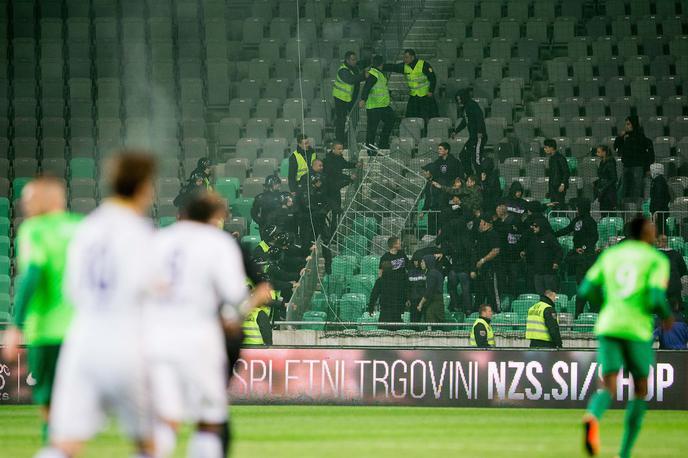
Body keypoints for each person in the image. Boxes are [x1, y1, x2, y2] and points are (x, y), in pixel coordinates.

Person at [36, 152, 157, 458]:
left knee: (64, 445)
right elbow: (150, 290)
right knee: (148, 443)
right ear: (143, 186)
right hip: (126, 344)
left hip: (82, 342)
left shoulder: (87, 228)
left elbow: (72, 290)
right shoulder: (138, 231)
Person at [147, 191, 273, 458]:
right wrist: (239, 313)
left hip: (157, 341)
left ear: (183, 214)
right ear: (215, 217)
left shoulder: (159, 240)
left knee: (164, 420)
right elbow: (235, 296)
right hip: (200, 339)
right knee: (209, 422)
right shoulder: (218, 243)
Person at [579, 217, 672, 458]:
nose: (656, 232)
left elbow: (585, 289)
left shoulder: (610, 255)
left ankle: (592, 418)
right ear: (645, 233)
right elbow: (655, 297)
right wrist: (666, 316)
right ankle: (624, 453)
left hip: (609, 324)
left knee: (608, 384)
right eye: (652, 228)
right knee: (640, 388)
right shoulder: (656, 260)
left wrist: (606, 305)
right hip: (636, 329)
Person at [1, 177, 82, 445]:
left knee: (50, 406)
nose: (24, 204)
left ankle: (54, 448)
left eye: (29, 198)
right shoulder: (81, 228)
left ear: (47, 199)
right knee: (72, 404)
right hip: (83, 333)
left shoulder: (35, 229)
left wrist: (16, 325)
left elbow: (32, 275)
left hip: (48, 332)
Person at [555, 198, 599, 317]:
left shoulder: (590, 221)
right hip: (579, 256)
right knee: (580, 284)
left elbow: (594, 237)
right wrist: (554, 234)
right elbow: (567, 229)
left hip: (588, 256)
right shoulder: (576, 220)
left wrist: (584, 248)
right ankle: (578, 315)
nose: (576, 210)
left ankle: (593, 312)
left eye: (578, 207)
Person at [383, 49, 438, 125]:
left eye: (406, 57)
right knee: (410, 117)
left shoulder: (423, 64)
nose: (404, 59)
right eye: (404, 57)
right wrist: (381, 66)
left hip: (425, 96)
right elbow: (394, 67)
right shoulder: (405, 66)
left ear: (412, 57)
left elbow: (433, 78)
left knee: (426, 117)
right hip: (414, 96)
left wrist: (431, 91)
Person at [615, 115, 655, 204]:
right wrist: (620, 137)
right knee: (624, 190)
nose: (626, 126)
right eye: (626, 124)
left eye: (628, 124)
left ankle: (637, 211)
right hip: (626, 167)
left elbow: (648, 155)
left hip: (638, 167)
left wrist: (648, 168)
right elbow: (615, 146)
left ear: (634, 124)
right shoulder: (625, 138)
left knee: (636, 190)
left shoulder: (641, 138)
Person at [359, 54, 394, 152]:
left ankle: (383, 143)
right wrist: (363, 99)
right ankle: (370, 149)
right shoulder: (374, 74)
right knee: (372, 129)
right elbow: (367, 87)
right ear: (381, 64)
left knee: (391, 119)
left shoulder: (379, 73)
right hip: (374, 107)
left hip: (382, 106)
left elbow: (379, 88)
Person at [332, 51, 365, 145]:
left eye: (355, 59)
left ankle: (347, 138)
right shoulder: (343, 70)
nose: (355, 61)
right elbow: (351, 80)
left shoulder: (353, 68)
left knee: (354, 118)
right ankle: (340, 140)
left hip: (349, 99)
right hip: (340, 98)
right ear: (347, 60)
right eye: (353, 59)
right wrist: (363, 76)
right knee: (341, 120)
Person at [521, 220, 563, 295]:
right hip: (537, 273)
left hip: (549, 272)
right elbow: (530, 250)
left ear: (542, 227)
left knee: (550, 295)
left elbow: (559, 251)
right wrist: (525, 253)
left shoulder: (550, 237)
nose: (534, 228)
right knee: (540, 295)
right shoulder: (534, 238)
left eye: (536, 226)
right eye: (533, 226)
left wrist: (556, 262)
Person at [452, 88, 487, 176]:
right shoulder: (465, 108)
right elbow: (465, 121)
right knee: (463, 156)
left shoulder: (472, 105)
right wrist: (456, 131)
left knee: (476, 160)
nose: (459, 101)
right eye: (458, 99)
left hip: (479, 137)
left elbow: (480, 118)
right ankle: (470, 177)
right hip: (472, 138)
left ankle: (481, 180)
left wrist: (479, 131)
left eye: (460, 99)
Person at [323, 141, 360, 222]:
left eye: (342, 149)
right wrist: (349, 177)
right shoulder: (328, 160)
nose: (341, 151)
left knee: (337, 209)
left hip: (336, 187)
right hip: (329, 188)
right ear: (333, 149)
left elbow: (345, 164)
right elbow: (335, 173)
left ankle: (334, 227)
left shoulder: (339, 158)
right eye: (339, 149)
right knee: (332, 208)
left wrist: (355, 165)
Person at [471, 217, 502, 312]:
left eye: (481, 223)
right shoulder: (480, 236)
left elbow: (496, 250)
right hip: (481, 271)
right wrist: (474, 269)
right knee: (479, 293)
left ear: (486, 223)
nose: (479, 225)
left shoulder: (493, 234)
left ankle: (496, 312)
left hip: (491, 269)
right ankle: (478, 313)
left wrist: (483, 260)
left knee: (492, 293)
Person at [369, 261, 406, 326]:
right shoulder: (398, 280)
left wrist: (371, 308)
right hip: (396, 312)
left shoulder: (380, 281)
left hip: (385, 311)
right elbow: (402, 295)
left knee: (383, 332)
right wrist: (402, 309)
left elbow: (374, 295)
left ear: (383, 270)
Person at [656, 234, 688, 312]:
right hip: (674, 286)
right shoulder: (676, 254)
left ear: (657, 243)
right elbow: (683, 271)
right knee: (676, 312)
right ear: (667, 242)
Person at [416, 254, 445, 327]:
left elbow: (429, 291)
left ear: (428, 262)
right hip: (436, 301)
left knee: (432, 325)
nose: (421, 264)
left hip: (434, 302)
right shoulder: (435, 272)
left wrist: (421, 304)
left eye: (423, 262)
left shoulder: (431, 274)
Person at [251, 174, 282, 238]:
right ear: (271, 185)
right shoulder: (260, 198)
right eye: (277, 184)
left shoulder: (281, 197)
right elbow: (253, 212)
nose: (279, 186)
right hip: (265, 227)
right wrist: (260, 222)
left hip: (279, 227)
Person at [545, 138, 570, 208]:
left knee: (560, 206)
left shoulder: (560, 158)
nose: (545, 149)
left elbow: (566, 172)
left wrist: (563, 184)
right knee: (554, 207)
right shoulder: (551, 159)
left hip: (559, 187)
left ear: (551, 148)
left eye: (546, 147)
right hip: (552, 187)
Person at [594, 145, 618, 213]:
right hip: (602, 191)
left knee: (608, 211)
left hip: (609, 192)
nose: (597, 153)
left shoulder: (610, 162)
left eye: (598, 152)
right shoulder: (602, 162)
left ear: (604, 152)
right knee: (603, 211)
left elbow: (614, 178)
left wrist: (604, 187)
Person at [649, 163, 670, 235]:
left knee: (660, 230)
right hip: (659, 210)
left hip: (659, 211)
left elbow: (659, 197)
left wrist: (656, 211)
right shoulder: (658, 181)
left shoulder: (659, 182)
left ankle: (661, 244)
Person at [407, 252, 427, 324]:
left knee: (426, 320)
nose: (416, 263)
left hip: (423, 299)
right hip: (413, 300)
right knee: (414, 320)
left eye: (417, 261)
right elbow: (408, 287)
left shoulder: (425, 271)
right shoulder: (410, 272)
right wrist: (408, 298)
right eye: (414, 261)